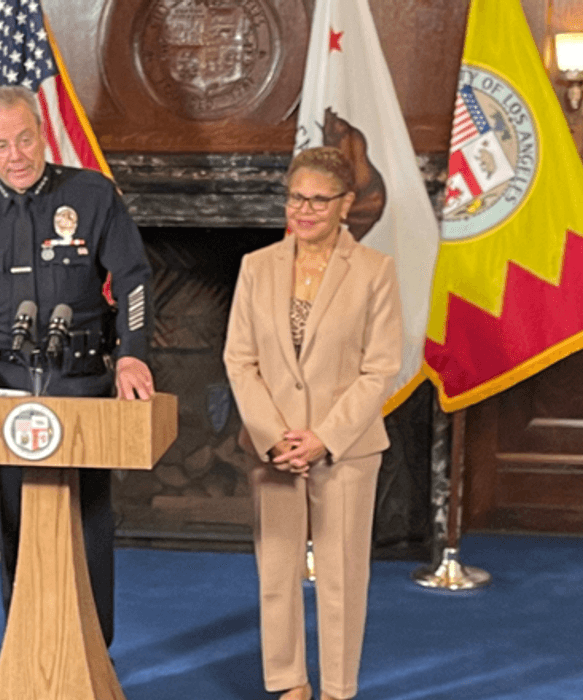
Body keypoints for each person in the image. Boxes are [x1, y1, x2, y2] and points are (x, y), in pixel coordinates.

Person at [0, 85, 154, 648]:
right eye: (2, 145)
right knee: (13, 524)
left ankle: (93, 652)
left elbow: (133, 280)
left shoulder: (92, 196)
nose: (16, 155)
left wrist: (132, 353)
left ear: (43, 133)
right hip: (1, 390)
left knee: (87, 523)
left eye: (25, 139)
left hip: (81, 384)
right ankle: (25, 650)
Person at [223, 147, 402, 700]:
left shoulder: (375, 271)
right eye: (296, 198)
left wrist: (324, 438)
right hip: (272, 448)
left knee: (342, 577)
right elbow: (239, 359)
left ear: (346, 204)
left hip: (345, 449)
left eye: (318, 200)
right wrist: (275, 437)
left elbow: (381, 368)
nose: (304, 210)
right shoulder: (256, 266)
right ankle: (289, 684)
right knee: (276, 574)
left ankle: (337, 689)